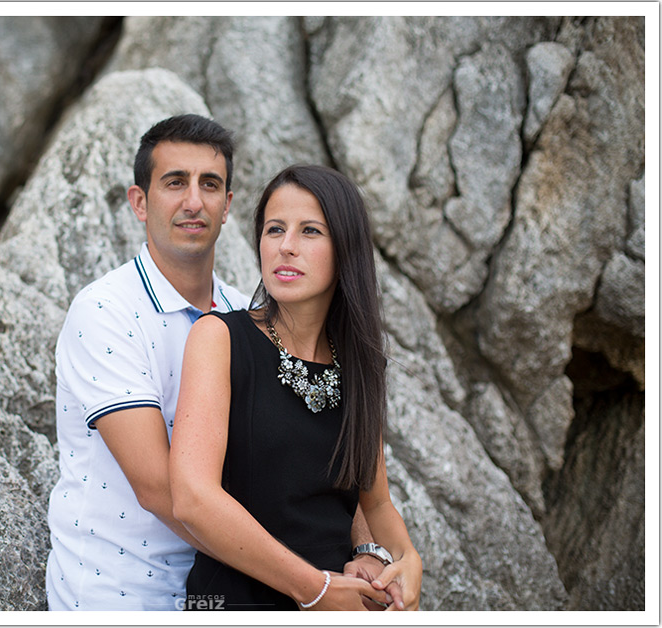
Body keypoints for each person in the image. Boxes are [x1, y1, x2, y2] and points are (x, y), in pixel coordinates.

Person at [45, 115, 391, 611]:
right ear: (139, 202)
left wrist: (364, 550)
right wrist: (308, 581)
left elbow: (319, 455)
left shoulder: (247, 321)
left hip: (235, 586)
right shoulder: (105, 312)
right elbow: (164, 490)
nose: (193, 201)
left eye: (210, 185)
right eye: (174, 182)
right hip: (122, 593)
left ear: (228, 206)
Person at [169, 164, 423, 611]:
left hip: (341, 605)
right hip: (236, 601)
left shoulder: (362, 365)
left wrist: (405, 558)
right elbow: (193, 498)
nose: (286, 247)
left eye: (310, 231)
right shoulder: (220, 339)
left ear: (345, 249)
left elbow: (377, 503)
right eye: (274, 230)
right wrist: (314, 589)